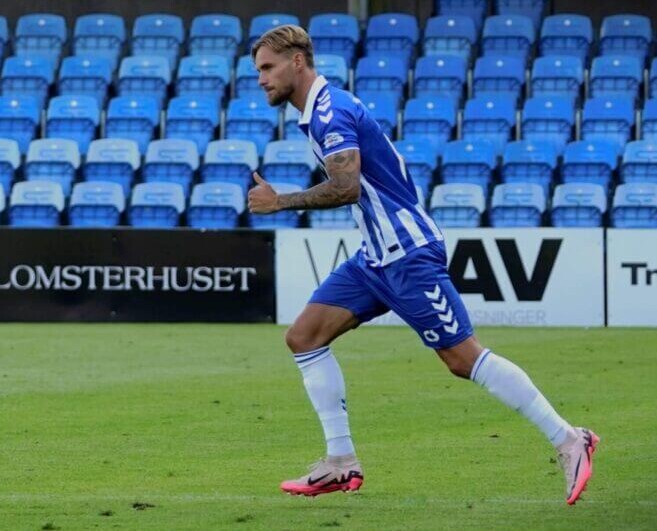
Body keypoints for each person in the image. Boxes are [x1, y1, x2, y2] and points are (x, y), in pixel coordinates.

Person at [247, 25, 598, 504]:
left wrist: (279, 202)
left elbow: (346, 186)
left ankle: (569, 439)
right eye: (258, 70)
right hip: (376, 258)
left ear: (297, 62)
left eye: (268, 68)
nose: (262, 79)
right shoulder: (318, 112)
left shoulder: (330, 113)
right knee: (304, 336)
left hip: (409, 255)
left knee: (463, 359)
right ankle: (340, 462)